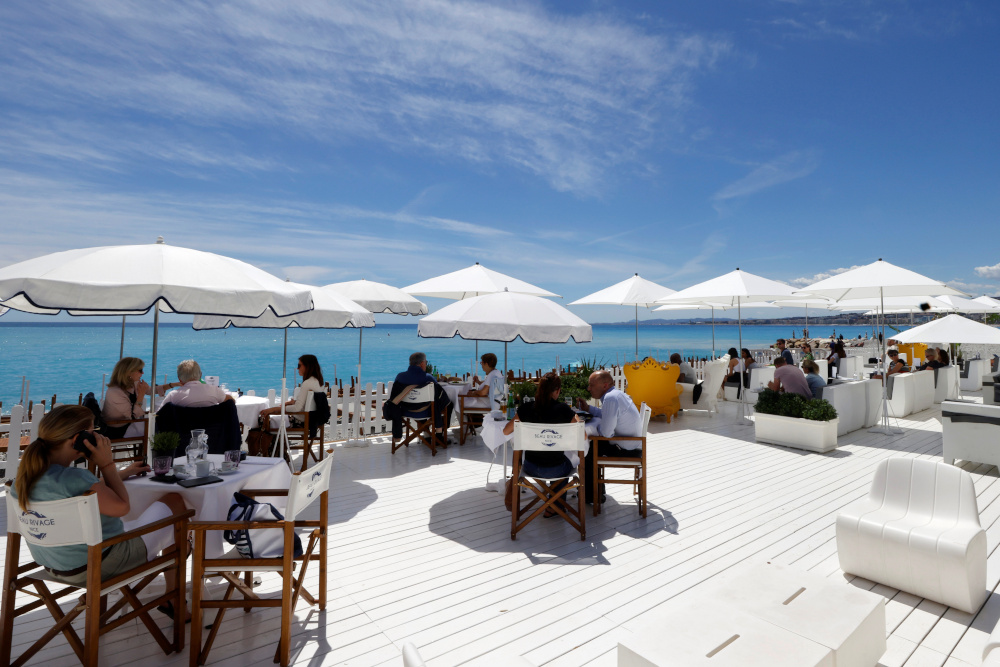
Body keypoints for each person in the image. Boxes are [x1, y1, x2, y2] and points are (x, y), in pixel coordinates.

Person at [11, 405, 189, 618]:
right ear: (79, 439)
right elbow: (122, 507)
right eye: (93, 431)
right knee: (175, 502)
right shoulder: (76, 479)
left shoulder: (22, 481)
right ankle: (174, 599)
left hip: (56, 566)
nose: (98, 435)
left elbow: (85, 493)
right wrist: (107, 465)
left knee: (107, 531)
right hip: (102, 566)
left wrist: (122, 474)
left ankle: (99, 609)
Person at [503, 372, 580, 517]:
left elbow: (506, 431)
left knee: (560, 462)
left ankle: (552, 505)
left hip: (531, 468)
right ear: (557, 391)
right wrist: (574, 415)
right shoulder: (563, 410)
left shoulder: (526, 409)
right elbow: (583, 435)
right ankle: (555, 506)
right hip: (557, 469)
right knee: (567, 463)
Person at [577, 370, 642, 504]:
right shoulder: (616, 394)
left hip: (628, 449)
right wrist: (589, 409)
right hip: (634, 444)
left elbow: (606, 433)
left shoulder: (610, 398)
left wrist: (594, 427)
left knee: (589, 449)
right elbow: (607, 416)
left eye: (592, 385)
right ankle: (596, 490)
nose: (588, 388)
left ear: (605, 386)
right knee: (593, 445)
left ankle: (591, 496)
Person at [387, 352, 454, 442]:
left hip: (405, 410)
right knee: (446, 404)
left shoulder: (400, 377)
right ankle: (439, 435)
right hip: (424, 411)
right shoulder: (428, 378)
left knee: (422, 403)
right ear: (422, 363)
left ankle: (426, 434)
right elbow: (439, 395)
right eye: (425, 362)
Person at [103, 357, 175, 438]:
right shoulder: (115, 392)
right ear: (129, 372)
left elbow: (152, 390)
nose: (143, 373)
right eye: (140, 370)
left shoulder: (132, 384)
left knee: (164, 418)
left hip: (130, 423)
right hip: (119, 429)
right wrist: (141, 395)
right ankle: (160, 449)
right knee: (160, 425)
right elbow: (131, 416)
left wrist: (173, 385)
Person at [260, 354, 325, 420]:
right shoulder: (317, 381)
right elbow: (307, 404)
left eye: (299, 365)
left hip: (299, 419)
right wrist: (293, 402)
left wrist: (274, 409)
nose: (297, 368)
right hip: (310, 419)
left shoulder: (307, 383)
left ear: (307, 366)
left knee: (262, 419)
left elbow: (297, 408)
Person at [157, 359, 234, 410]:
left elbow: (159, 415)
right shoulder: (214, 390)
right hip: (211, 433)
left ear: (179, 379)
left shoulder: (173, 396)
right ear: (200, 375)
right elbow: (231, 401)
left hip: (183, 433)